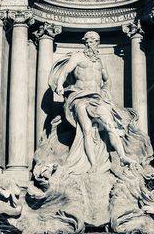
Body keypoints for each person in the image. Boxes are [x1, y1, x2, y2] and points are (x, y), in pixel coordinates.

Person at [49, 31, 133, 173]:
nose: (89, 44)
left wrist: (106, 92)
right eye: (87, 41)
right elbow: (65, 72)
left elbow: (107, 79)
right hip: (80, 97)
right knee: (86, 130)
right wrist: (59, 85)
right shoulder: (78, 57)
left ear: (97, 43)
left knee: (110, 126)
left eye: (92, 41)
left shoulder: (100, 61)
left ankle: (123, 156)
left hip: (97, 98)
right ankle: (93, 164)